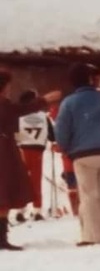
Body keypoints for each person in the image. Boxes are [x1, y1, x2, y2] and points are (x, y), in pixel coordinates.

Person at [54, 63, 100, 246]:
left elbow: (61, 131)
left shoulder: (69, 103)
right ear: (89, 79)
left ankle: (90, 235)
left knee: (88, 195)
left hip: (82, 153)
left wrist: (65, 147)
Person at [0, 73, 60, 250]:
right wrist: (44, 100)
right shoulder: (3, 104)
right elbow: (19, 110)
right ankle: (1, 238)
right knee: (4, 193)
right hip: (3, 153)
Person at [14, 89, 53, 223]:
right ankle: (37, 210)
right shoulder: (43, 116)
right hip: (37, 151)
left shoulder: (18, 116)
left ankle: (20, 209)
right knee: (36, 180)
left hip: (22, 149)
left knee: (22, 181)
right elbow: (53, 136)